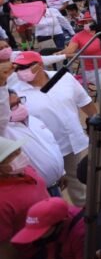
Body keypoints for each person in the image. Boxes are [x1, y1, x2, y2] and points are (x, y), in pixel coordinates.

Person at [8, 52, 94, 207]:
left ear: (40, 65)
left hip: (71, 141)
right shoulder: (15, 93)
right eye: (17, 68)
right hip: (42, 149)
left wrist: (97, 121)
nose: (20, 71)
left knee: (77, 179)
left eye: (25, 67)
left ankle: (84, 212)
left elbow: (84, 101)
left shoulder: (64, 78)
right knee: (48, 187)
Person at [0, 62, 65, 197]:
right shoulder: (4, 131)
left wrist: (61, 172)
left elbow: (51, 144)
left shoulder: (34, 120)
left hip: (55, 185)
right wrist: (1, 84)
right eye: (12, 106)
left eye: (19, 102)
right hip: (35, 192)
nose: (19, 107)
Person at [10, 197, 85, 259]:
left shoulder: (81, 236)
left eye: (40, 232)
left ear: (60, 223)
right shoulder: (58, 217)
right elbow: (51, 245)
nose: (37, 237)